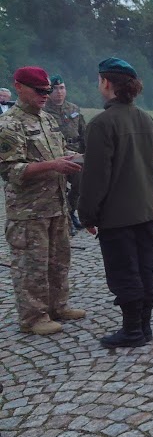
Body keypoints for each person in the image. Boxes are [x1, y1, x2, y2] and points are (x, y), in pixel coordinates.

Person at [78, 58, 153, 348]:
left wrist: (87, 215)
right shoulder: (147, 120)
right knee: (144, 268)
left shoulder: (101, 124)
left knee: (124, 272)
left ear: (106, 83)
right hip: (146, 210)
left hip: (117, 214)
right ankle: (144, 326)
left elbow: (95, 177)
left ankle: (133, 330)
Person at [0, 66, 85, 335]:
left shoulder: (47, 120)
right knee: (31, 265)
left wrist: (74, 158)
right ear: (19, 87)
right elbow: (10, 170)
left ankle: (58, 306)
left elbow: (58, 152)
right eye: (39, 91)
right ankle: (33, 317)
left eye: (47, 90)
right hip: (29, 210)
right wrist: (53, 165)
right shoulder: (9, 124)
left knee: (59, 260)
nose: (45, 95)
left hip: (56, 204)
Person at [45, 75, 86, 233]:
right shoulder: (43, 110)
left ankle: (70, 212)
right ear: (49, 91)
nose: (59, 92)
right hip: (55, 155)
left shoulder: (73, 108)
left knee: (79, 186)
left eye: (61, 88)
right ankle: (65, 220)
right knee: (58, 189)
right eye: (55, 89)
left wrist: (87, 153)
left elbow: (83, 131)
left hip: (75, 153)